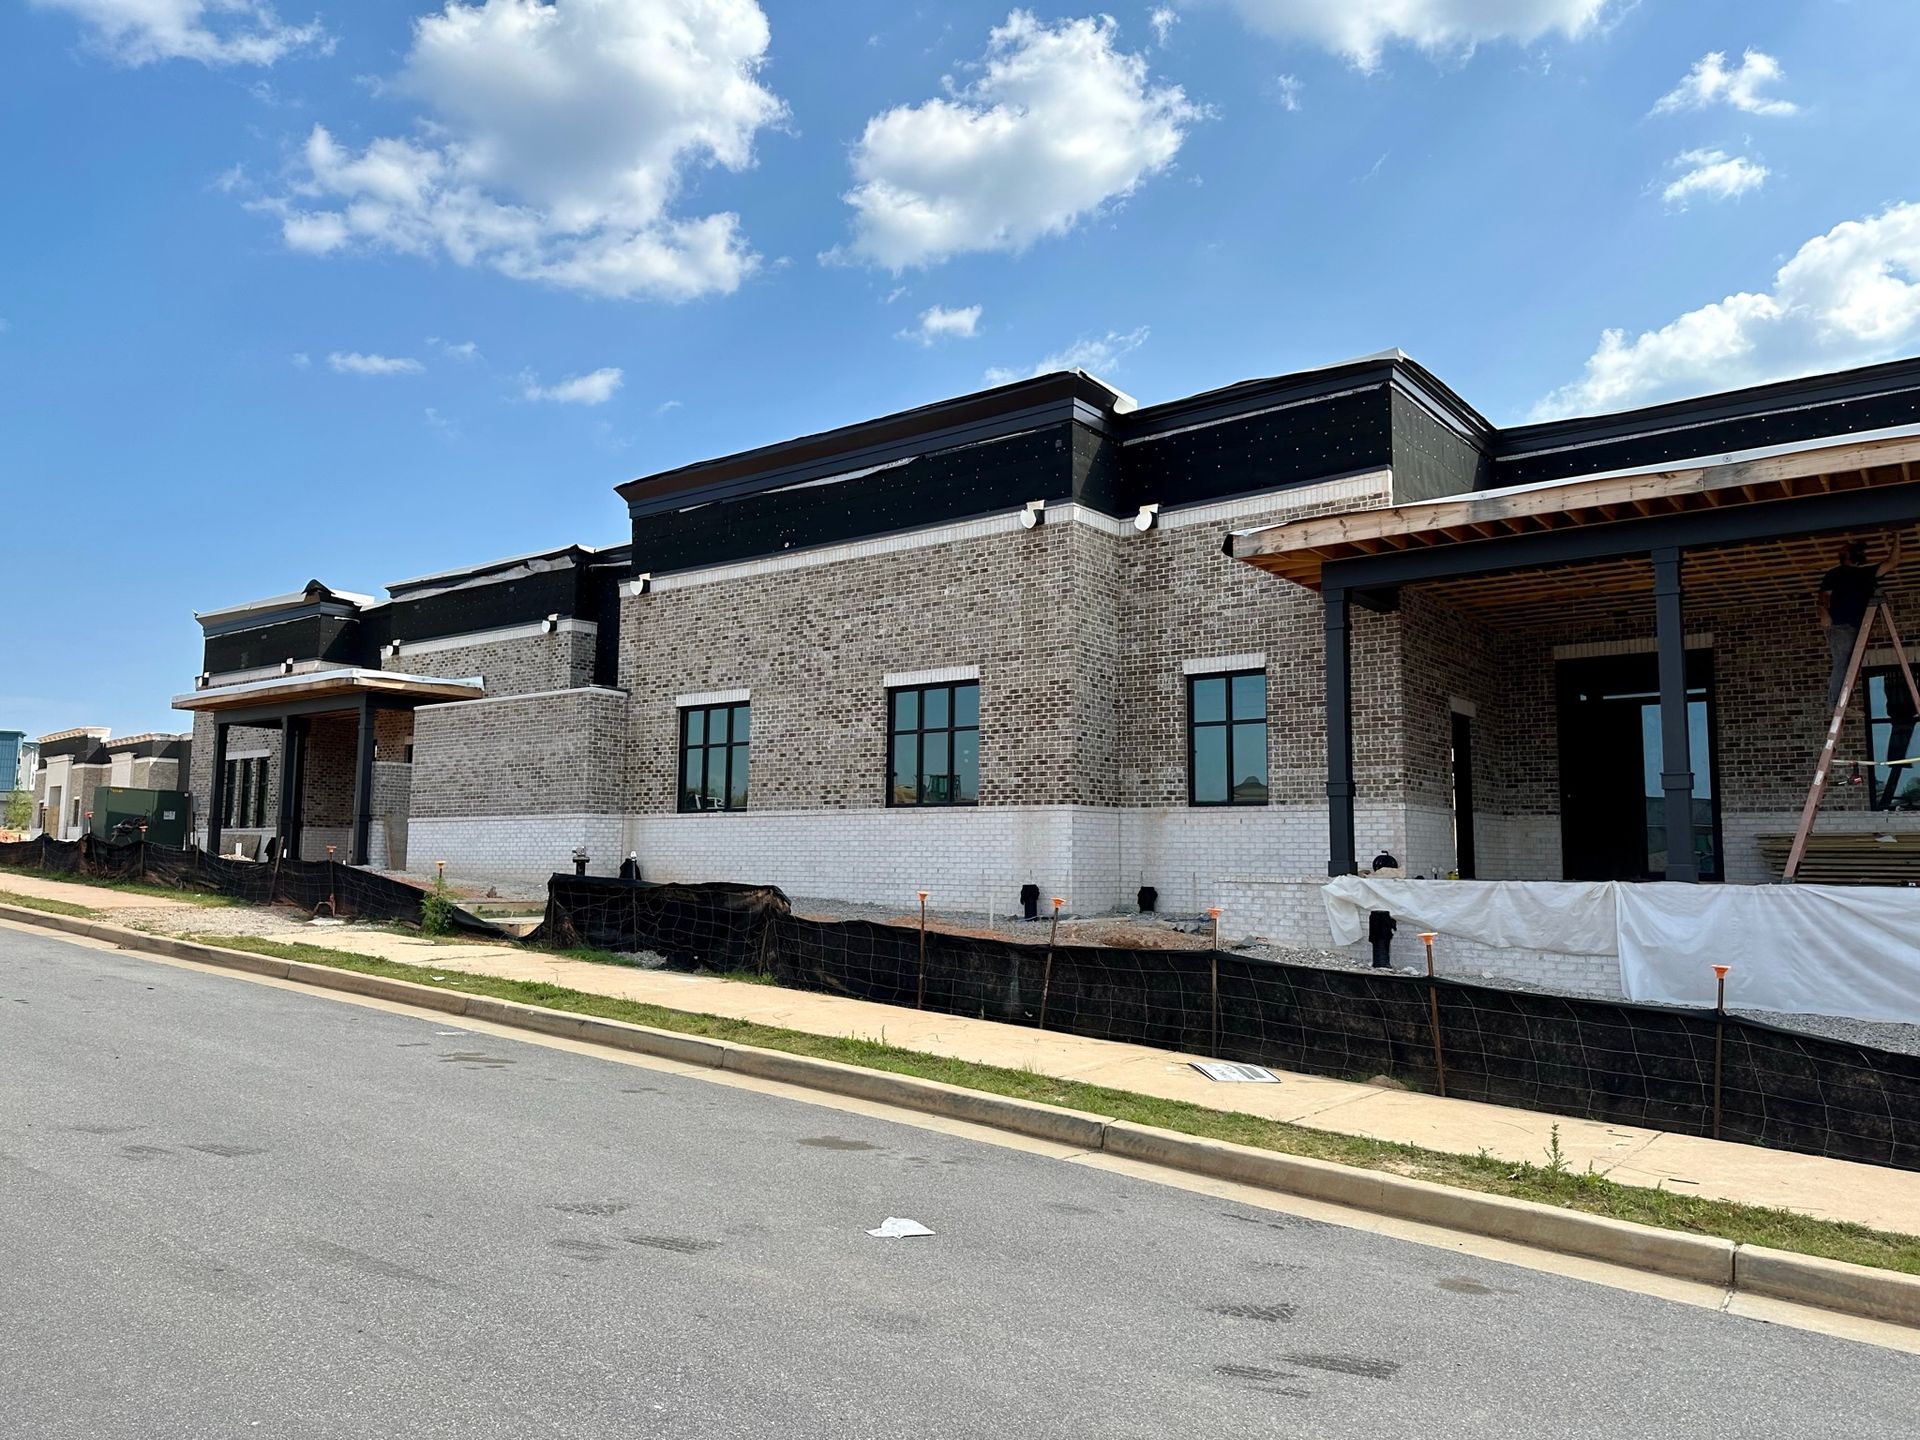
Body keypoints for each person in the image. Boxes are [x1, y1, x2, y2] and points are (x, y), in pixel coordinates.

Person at [1819, 535, 1903, 710]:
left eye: (1845, 549)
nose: (1841, 552)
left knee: (1850, 665)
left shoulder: (1866, 573)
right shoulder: (1834, 573)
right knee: (1842, 663)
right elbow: (1823, 597)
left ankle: (1839, 704)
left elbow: (1892, 562)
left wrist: (1897, 536)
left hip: (1857, 627)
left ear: (1850, 555)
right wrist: (1824, 614)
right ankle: (1835, 705)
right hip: (1840, 625)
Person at [1884, 679, 1919, 810]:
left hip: (1903, 720)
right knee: (1899, 759)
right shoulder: (1901, 709)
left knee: (1899, 760)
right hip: (1902, 720)